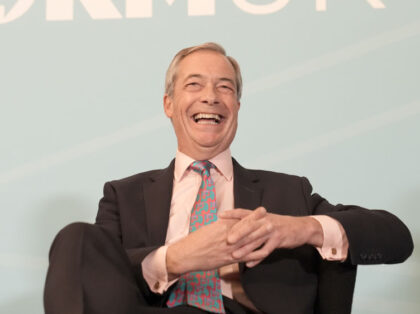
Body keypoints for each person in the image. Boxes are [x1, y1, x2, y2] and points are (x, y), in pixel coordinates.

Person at [44, 43, 413, 314]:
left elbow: (396, 237)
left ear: (237, 105)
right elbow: (98, 282)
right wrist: (175, 258)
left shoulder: (287, 193)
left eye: (225, 87)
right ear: (168, 104)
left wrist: (301, 229)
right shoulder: (123, 196)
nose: (211, 98)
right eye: (194, 85)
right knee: (75, 238)